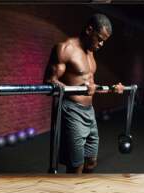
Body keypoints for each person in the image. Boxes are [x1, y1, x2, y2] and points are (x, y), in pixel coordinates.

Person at [44, 13, 124, 174]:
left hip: (89, 112)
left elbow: (90, 85)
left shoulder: (90, 52)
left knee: (91, 161)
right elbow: (49, 82)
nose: (101, 44)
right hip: (71, 110)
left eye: (104, 41)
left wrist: (112, 88)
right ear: (89, 30)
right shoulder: (65, 49)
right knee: (76, 166)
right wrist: (78, 88)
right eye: (99, 38)